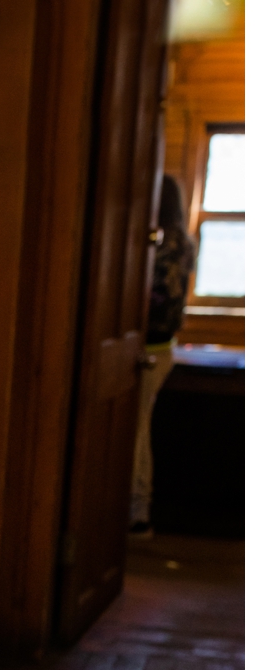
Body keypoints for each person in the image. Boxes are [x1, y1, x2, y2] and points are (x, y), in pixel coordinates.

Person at [133, 174, 192, 534]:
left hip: (149, 348)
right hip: (165, 344)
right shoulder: (184, 240)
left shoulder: (162, 242)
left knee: (137, 433)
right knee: (140, 430)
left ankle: (138, 514)